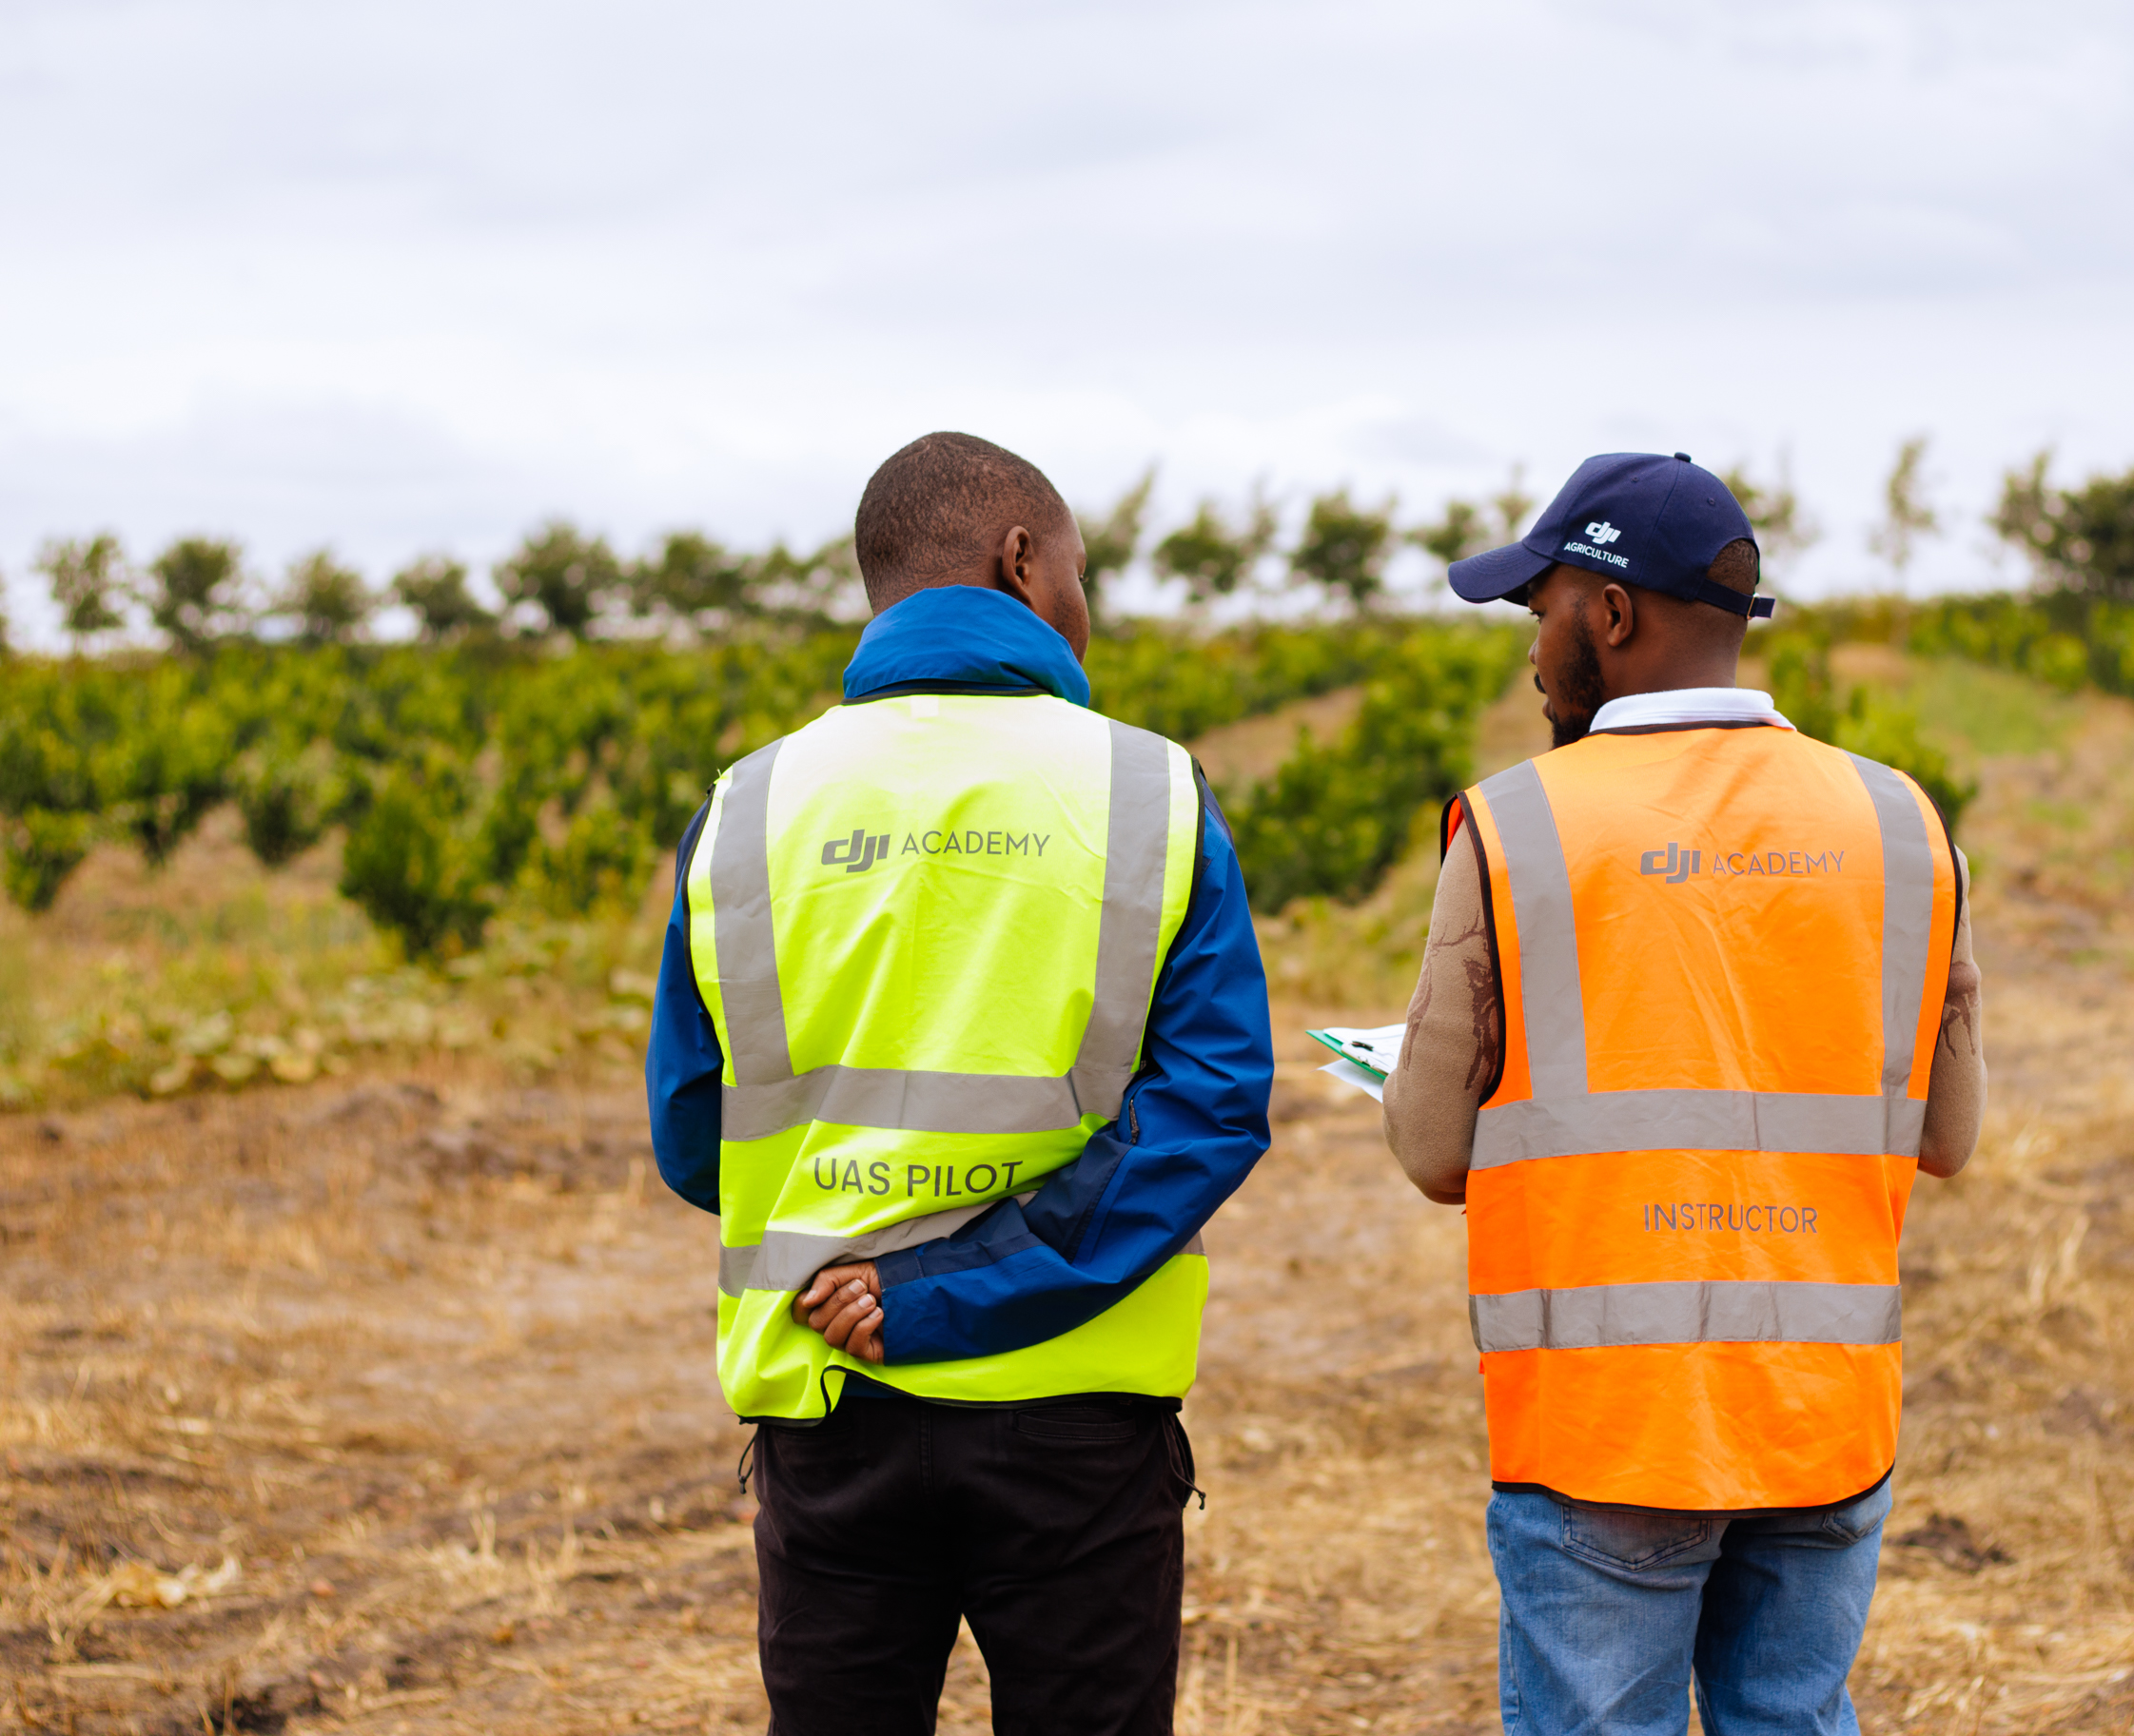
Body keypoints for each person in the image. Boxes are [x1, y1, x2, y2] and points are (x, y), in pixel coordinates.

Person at [645, 432, 1276, 1736]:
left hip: (829, 1393)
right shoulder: (1147, 787)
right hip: (1075, 1411)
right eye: (1080, 571)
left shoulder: (745, 804)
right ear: (1021, 559)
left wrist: (866, 1220)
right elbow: (1210, 1103)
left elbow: (696, 1134)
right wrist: (965, 1277)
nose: (1084, 605)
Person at [1382, 451, 1985, 1736]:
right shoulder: (1899, 821)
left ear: (1607, 612)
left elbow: (1436, 1150)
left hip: (1610, 1428)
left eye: (1537, 609)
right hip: (1822, 1416)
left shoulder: (1517, 823)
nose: (1533, 648)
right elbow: (1947, 1134)